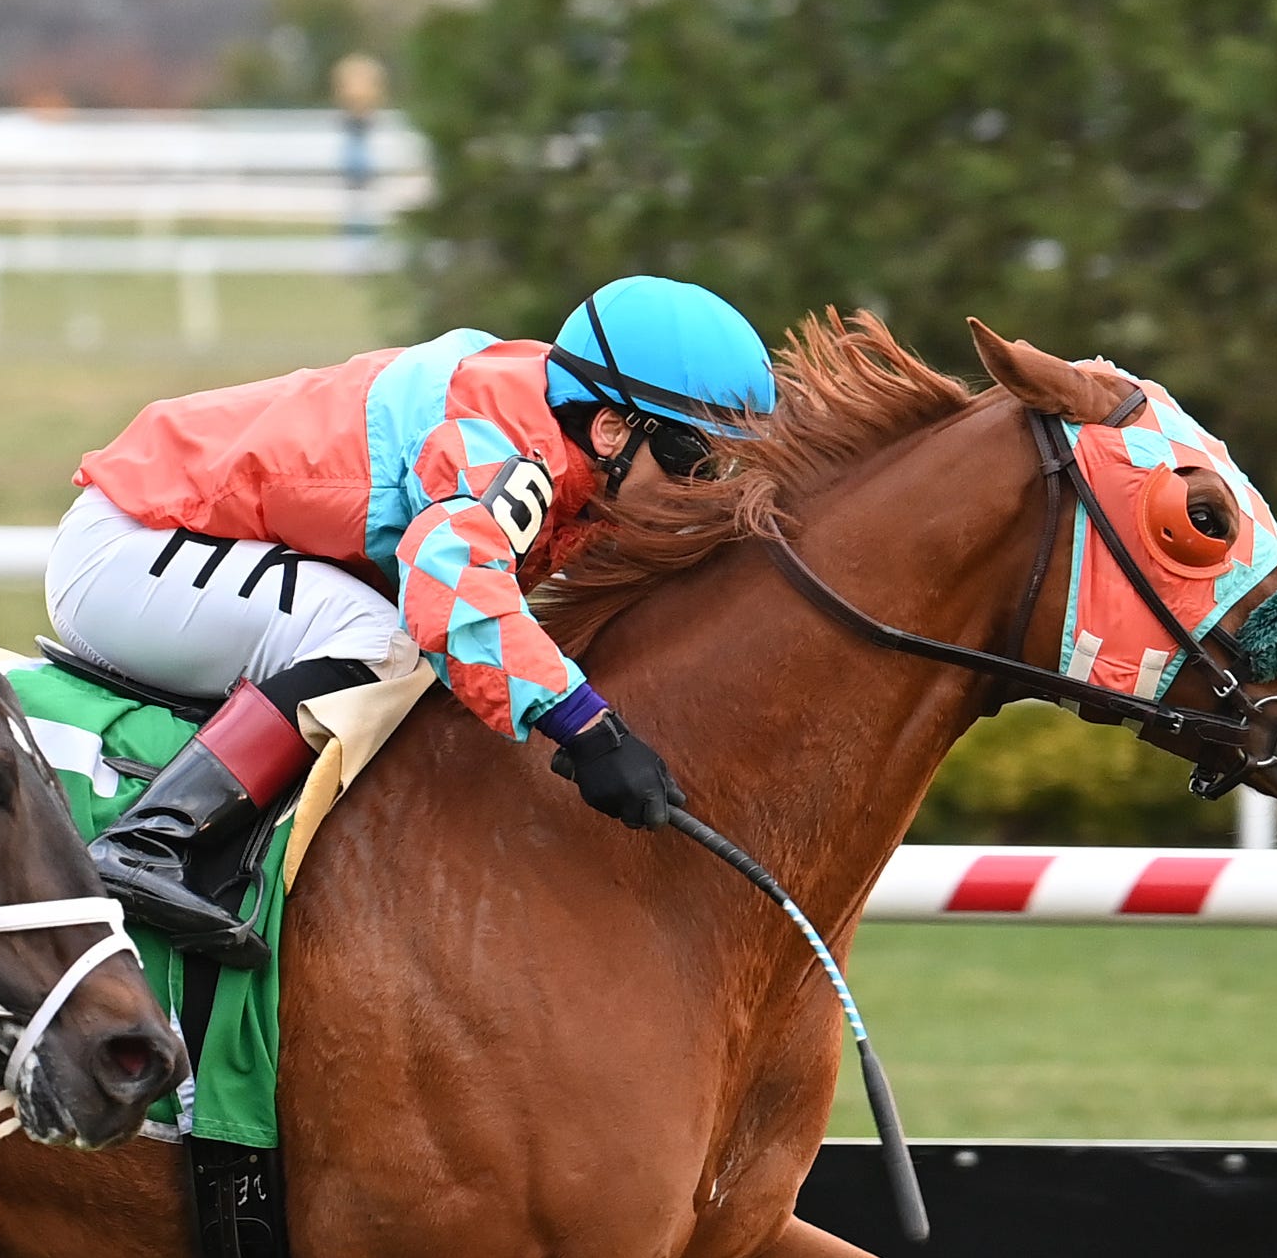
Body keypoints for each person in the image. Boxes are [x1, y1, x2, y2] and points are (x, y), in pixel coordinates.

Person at [50, 276, 775, 967]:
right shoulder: (510, 450)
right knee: (385, 642)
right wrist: (586, 725)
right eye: (696, 461)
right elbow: (451, 594)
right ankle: (150, 842)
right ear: (613, 429)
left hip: (182, 543)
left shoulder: (564, 435)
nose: (707, 492)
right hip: (131, 546)